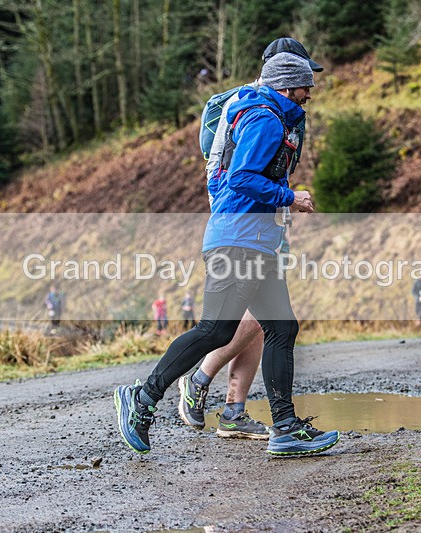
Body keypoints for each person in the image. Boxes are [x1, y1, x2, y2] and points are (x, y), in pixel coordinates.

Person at [114, 52, 339, 456]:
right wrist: (290, 196)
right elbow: (242, 178)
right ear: (288, 86)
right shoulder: (265, 119)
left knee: (282, 328)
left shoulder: (275, 117)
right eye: (306, 85)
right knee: (215, 330)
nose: (310, 93)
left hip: (257, 241)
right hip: (238, 240)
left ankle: (285, 428)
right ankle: (142, 398)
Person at [180, 37, 324, 441]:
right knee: (236, 321)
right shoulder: (253, 106)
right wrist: (282, 200)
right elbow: (232, 171)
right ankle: (197, 378)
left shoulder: (279, 107)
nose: (309, 87)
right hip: (243, 220)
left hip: (264, 216)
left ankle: (233, 410)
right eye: (303, 76)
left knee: (267, 321)